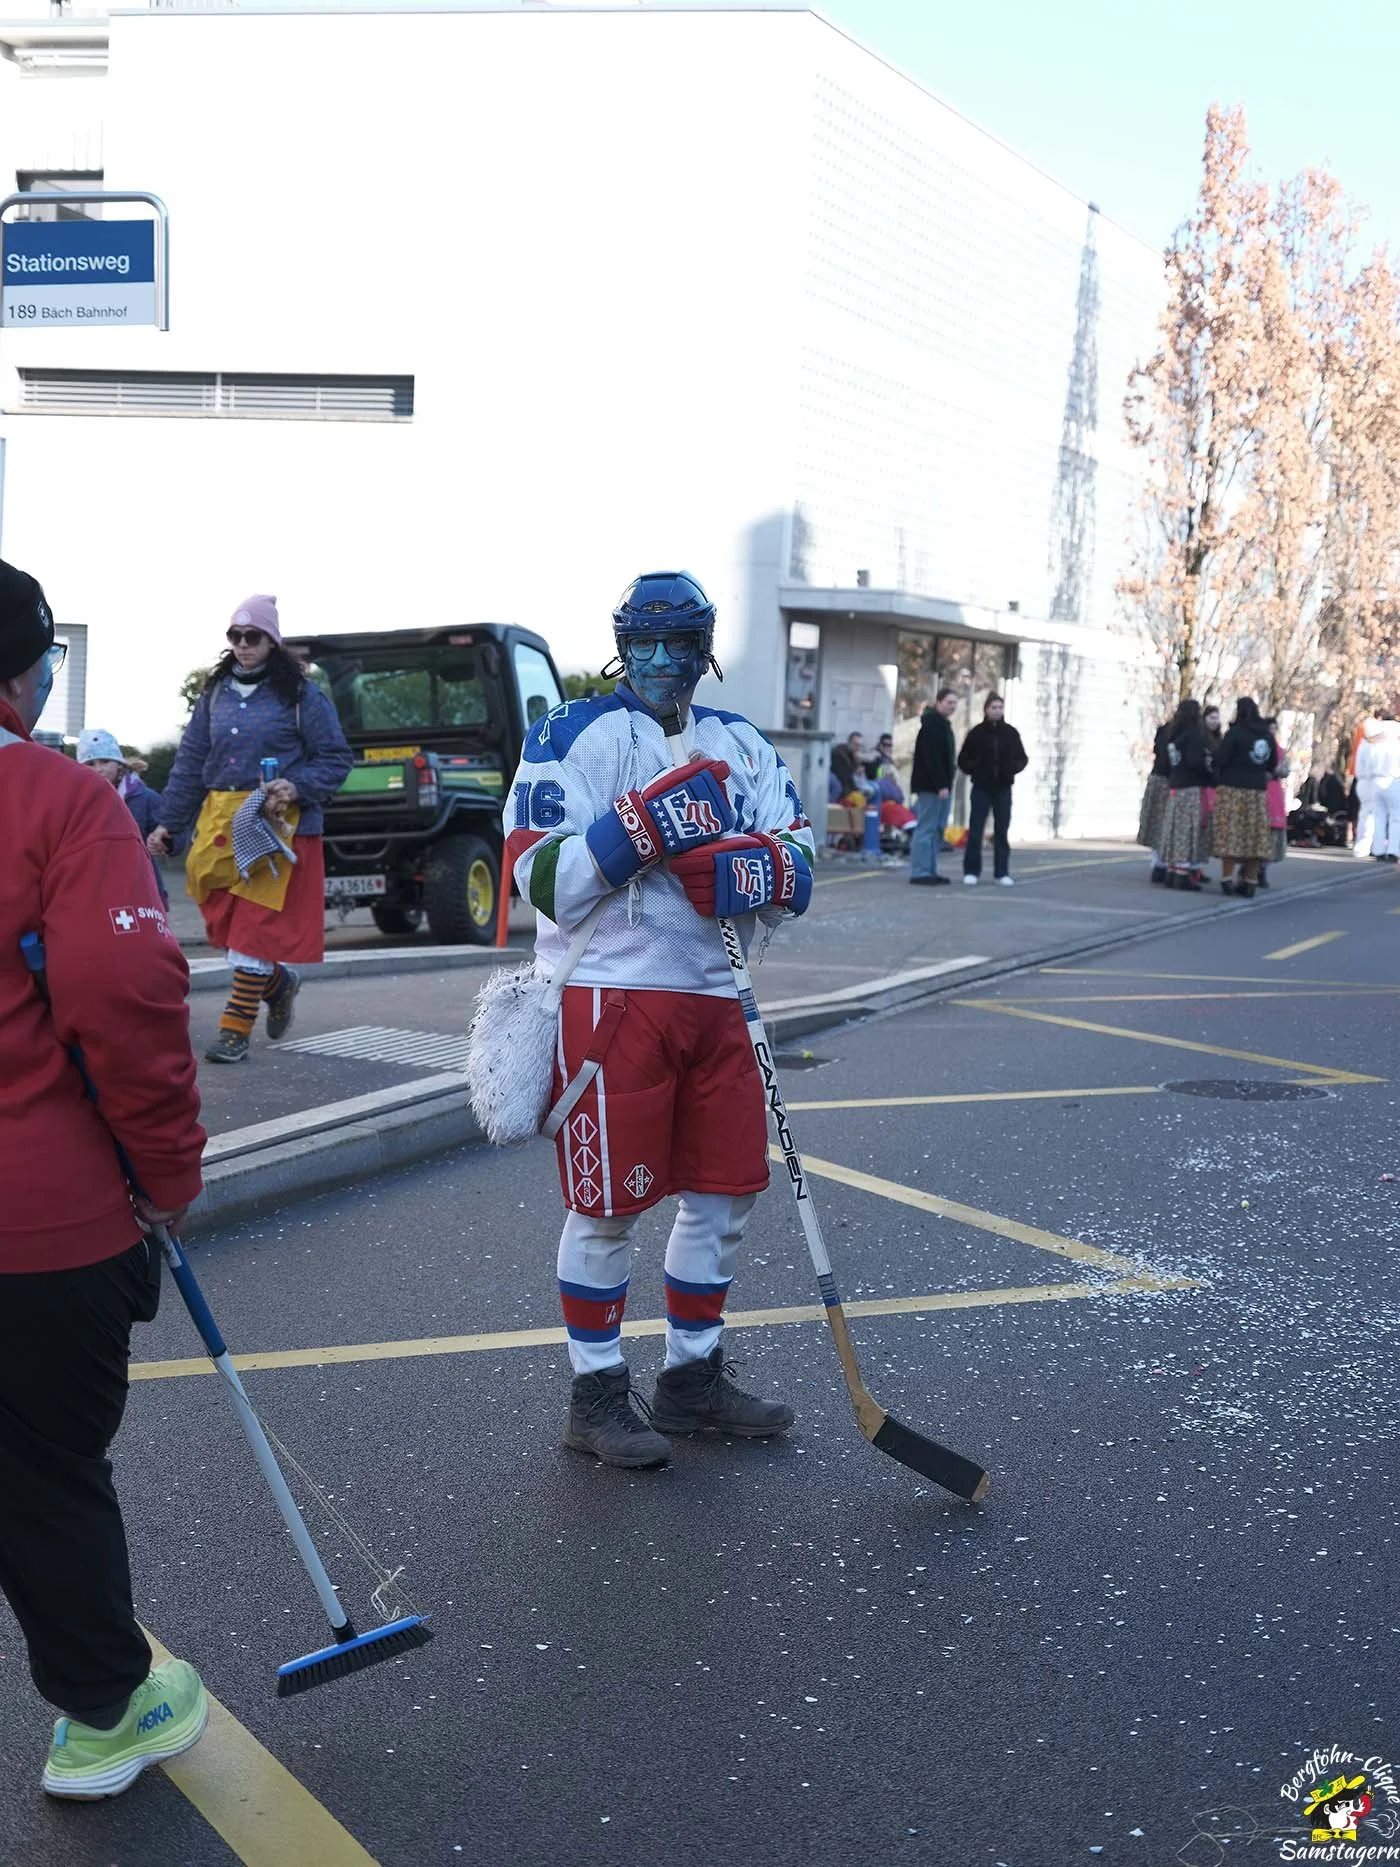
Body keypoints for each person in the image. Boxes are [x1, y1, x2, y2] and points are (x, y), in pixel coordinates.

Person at [505, 570, 814, 1468]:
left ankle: (691, 1378)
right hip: (610, 994)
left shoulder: (742, 742)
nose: (662, 662)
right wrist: (639, 830)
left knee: (722, 1194)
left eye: (681, 646)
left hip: (719, 996)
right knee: (607, 1207)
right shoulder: (573, 733)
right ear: (621, 642)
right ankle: (595, 1393)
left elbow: (800, 856)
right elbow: (536, 871)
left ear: (705, 649)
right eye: (644, 642)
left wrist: (754, 869)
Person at [0, 558, 209, 1798]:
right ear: (24, 671)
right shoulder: (62, 800)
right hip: (40, 1221)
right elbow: (125, 999)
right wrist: (168, 1174)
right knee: (42, 1469)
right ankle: (102, 1712)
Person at [149, 596, 353, 1064]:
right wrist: (168, 826)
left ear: (272, 641)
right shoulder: (214, 694)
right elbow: (190, 764)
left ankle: (234, 1029)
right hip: (220, 819)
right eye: (235, 637)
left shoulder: (301, 695)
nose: (243, 646)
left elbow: (336, 758)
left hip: (275, 822)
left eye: (253, 637)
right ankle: (279, 984)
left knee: (254, 928)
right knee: (218, 913)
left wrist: (297, 786)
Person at [76, 727, 171, 907]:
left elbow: (171, 831)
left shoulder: (145, 798)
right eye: (90, 764)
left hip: (141, 889)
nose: (98, 769)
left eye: (105, 761)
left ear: (119, 763)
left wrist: (165, 842)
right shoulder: (74, 801)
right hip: (95, 890)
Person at [957, 693, 1028, 886]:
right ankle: (971, 870)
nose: (997, 711)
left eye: (1000, 707)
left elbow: (1022, 758)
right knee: (976, 830)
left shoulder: (1011, 733)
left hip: (1003, 788)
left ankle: (1002, 872)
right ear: (986, 710)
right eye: (993, 707)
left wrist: (1010, 770)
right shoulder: (976, 733)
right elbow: (963, 760)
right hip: (981, 787)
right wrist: (976, 769)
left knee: (1001, 830)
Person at [1212, 696, 1278, 897]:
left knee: (1231, 835)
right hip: (1257, 791)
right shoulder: (1267, 736)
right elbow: (1272, 762)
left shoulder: (1236, 733)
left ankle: (1227, 879)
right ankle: (1250, 881)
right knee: (1255, 838)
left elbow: (1221, 758)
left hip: (1233, 789)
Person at [1158, 698, 1211, 890]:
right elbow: (1195, 762)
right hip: (1190, 787)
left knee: (1175, 829)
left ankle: (1172, 870)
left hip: (1175, 785)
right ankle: (1182, 873)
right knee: (1187, 830)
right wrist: (1208, 772)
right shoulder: (1194, 735)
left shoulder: (1174, 734)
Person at [909, 688, 958, 886]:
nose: (952, 706)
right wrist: (940, 784)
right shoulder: (932, 726)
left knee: (937, 829)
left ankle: (930, 869)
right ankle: (920, 871)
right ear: (938, 702)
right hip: (931, 787)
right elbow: (932, 758)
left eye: (955, 703)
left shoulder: (943, 725)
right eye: (949, 702)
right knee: (926, 828)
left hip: (941, 785)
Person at [1356, 708, 1400, 862]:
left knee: (1378, 816)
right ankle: (1393, 850)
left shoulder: (1372, 740)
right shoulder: (1396, 740)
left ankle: (1378, 849)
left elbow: (1362, 763)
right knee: (1396, 817)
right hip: (1393, 779)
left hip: (1374, 780)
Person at [1136, 717, 1173, 885]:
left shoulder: (1163, 731)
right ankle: (1164, 864)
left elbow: (1158, 752)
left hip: (1157, 777)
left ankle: (1158, 863)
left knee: (1157, 822)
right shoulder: (1181, 733)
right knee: (1168, 824)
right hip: (1171, 782)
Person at [867, 732, 916, 834]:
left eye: (890, 745)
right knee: (899, 814)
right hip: (879, 800)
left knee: (907, 812)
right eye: (885, 745)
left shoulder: (890, 762)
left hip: (891, 799)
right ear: (880, 746)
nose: (888, 748)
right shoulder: (874, 761)